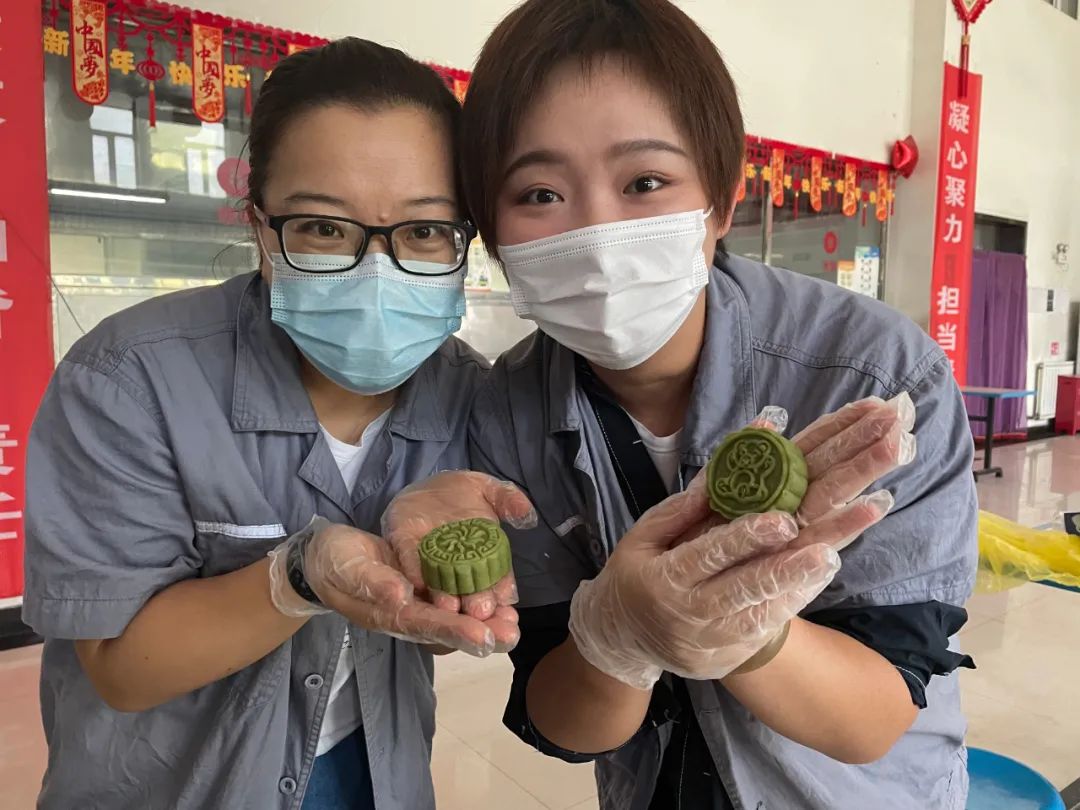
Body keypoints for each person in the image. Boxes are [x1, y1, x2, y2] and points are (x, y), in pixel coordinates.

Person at [382, 2, 979, 809]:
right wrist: (613, 638)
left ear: (722, 203)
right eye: (540, 193)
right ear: (493, 235)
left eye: (645, 183)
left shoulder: (874, 374)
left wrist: (744, 628)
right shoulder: (507, 413)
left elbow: (876, 719)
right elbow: (567, 723)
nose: (597, 231)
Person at [22, 38, 528, 810]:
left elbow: (445, 622)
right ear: (262, 229)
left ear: (463, 240)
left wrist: (453, 596)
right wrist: (298, 576)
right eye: (324, 228)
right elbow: (123, 670)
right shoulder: (130, 379)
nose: (377, 270)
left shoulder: (467, 393)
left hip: (376, 772)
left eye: (425, 231)